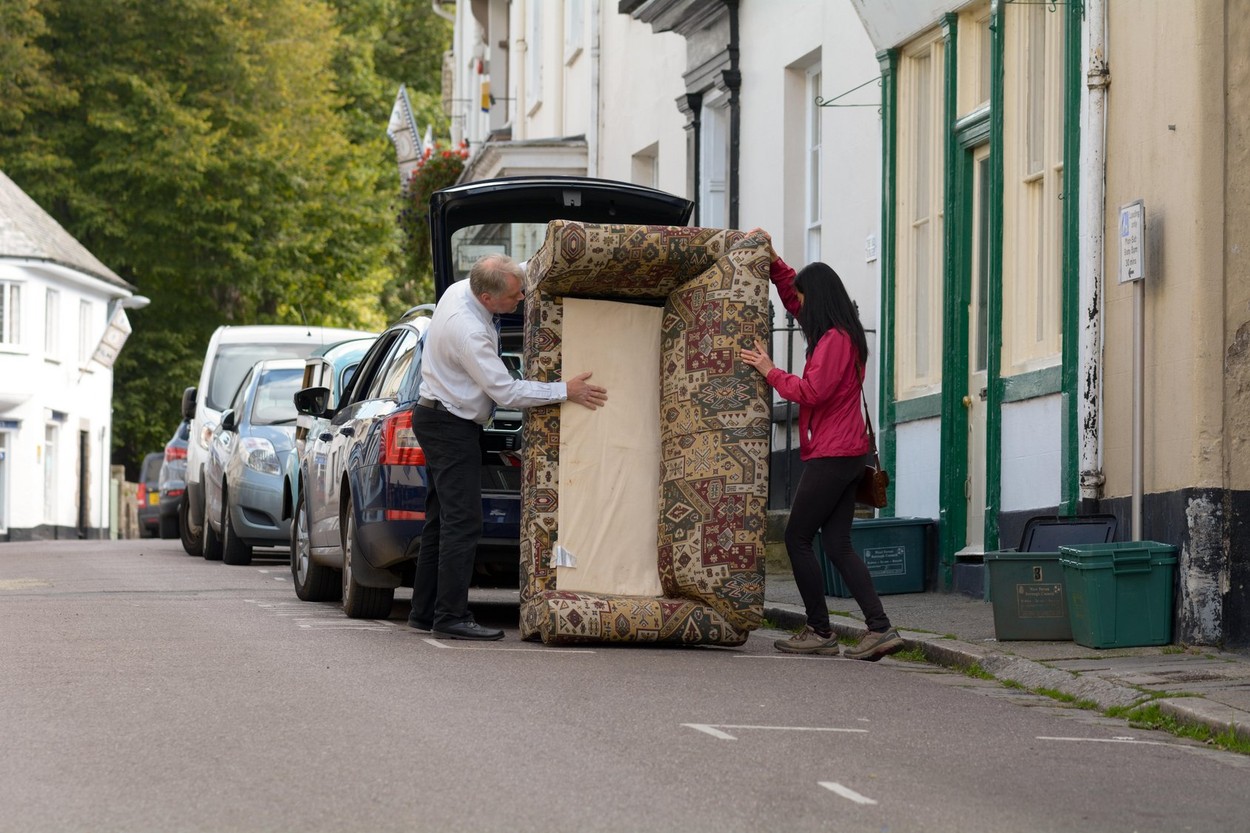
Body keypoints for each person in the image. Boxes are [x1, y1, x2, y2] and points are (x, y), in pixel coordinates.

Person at [409, 253, 607, 640]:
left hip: (439, 416)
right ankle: (450, 616)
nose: (522, 300)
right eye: (516, 296)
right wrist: (566, 390)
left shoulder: (460, 289)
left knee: (440, 519)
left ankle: (425, 609)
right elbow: (506, 391)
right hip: (449, 425)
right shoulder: (468, 329)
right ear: (486, 297)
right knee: (464, 522)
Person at [740, 231, 902, 661]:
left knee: (796, 536)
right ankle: (879, 629)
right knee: (837, 545)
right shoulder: (837, 331)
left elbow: (811, 392)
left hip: (834, 454)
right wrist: (775, 262)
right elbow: (794, 298)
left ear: (821, 298)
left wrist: (770, 370)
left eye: (805, 297)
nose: (799, 305)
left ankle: (819, 629)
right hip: (848, 452)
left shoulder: (835, 342)